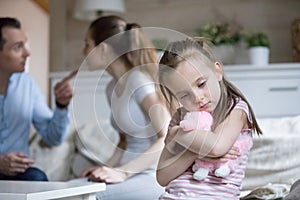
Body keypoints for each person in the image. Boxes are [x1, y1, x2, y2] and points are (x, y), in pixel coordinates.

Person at [156, 37, 262, 199]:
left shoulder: (236, 109)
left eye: (201, 84)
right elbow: (162, 176)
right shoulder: (180, 116)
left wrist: (177, 134)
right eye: (184, 95)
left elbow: (215, 147)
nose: (198, 98)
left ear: (217, 72)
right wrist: (193, 153)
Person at [79, 15, 170, 200]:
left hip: (151, 176)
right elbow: (124, 141)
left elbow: (168, 136)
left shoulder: (139, 81)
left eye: (87, 44)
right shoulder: (111, 88)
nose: (84, 52)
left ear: (103, 49)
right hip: (126, 175)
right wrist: (107, 169)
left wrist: (123, 173)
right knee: (68, 189)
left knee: (86, 197)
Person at [0, 17, 74, 181]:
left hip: (19, 175)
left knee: (37, 178)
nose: (27, 53)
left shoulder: (27, 84)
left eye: (25, 45)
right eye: (18, 47)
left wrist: (61, 105)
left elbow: (53, 137)